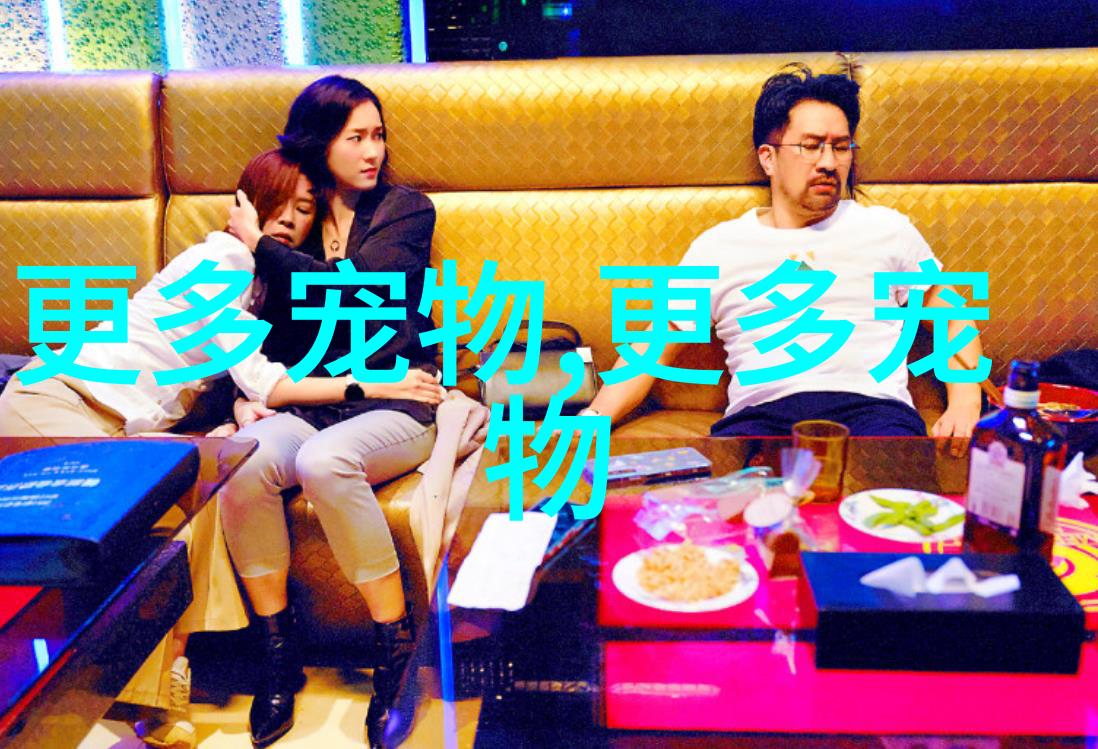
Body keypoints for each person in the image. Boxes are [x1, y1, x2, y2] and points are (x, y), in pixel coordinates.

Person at [0, 149, 361, 749]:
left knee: (200, 504)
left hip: (111, 424)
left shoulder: (259, 288)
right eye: (279, 204)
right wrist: (365, 386)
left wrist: (232, 415)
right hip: (57, 401)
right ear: (247, 206)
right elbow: (263, 380)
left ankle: (163, 687)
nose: (289, 220)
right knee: (140, 526)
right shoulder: (223, 261)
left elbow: (223, 379)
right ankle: (151, 700)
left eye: (305, 210)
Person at [582, 64, 985, 444]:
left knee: (893, 493)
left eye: (841, 147)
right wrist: (595, 416)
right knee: (723, 493)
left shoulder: (886, 229)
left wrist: (965, 404)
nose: (828, 162)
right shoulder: (718, 246)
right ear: (768, 158)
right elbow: (653, 346)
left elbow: (951, 313)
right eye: (810, 146)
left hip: (874, 412)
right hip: (760, 416)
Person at [221, 75, 443, 749]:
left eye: (379, 136)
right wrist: (244, 398)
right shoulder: (300, 215)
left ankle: (395, 649)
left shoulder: (406, 210)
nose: (373, 151)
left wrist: (261, 245)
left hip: (400, 396)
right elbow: (258, 332)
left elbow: (364, 291)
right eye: (356, 137)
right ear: (320, 143)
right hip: (318, 401)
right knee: (243, 463)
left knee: (324, 461)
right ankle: (278, 651)